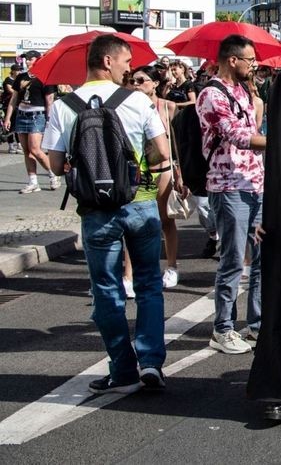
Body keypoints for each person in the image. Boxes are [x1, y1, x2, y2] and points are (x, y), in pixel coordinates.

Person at [44, 34, 171, 394]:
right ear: (107, 61)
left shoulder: (64, 106)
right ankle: (151, 362)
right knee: (148, 283)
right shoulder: (137, 101)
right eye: (126, 61)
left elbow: (54, 165)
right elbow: (162, 153)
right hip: (139, 203)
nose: (131, 68)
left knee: (106, 290)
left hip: (95, 211)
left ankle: (122, 367)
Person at [198, 35, 268, 355]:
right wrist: (277, 140)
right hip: (228, 187)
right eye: (250, 60)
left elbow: (252, 129)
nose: (254, 65)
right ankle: (223, 328)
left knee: (263, 257)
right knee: (233, 260)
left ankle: (256, 324)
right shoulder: (212, 94)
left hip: (255, 184)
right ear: (232, 60)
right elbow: (237, 136)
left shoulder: (243, 91)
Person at [126, 66, 184, 290]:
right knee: (134, 224)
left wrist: (180, 174)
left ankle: (171, 266)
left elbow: (175, 143)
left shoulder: (167, 106)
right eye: (133, 80)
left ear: (155, 83)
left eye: (141, 80)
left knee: (165, 219)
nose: (136, 84)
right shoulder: (129, 108)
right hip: (140, 170)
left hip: (164, 170)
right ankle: (129, 276)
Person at [4, 63, 60, 193]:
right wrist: (8, 117)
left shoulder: (46, 78)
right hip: (22, 115)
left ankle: (53, 173)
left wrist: (49, 120)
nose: (28, 61)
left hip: (37, 115)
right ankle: (33, 181)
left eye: (31, 58)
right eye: (27, 59)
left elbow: (49, 101)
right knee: (27, 151)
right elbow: (14, 98)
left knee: (35, 149)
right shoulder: (21, 77)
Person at [1, 64, 19, 153]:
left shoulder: (18, 80)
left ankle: (19, 145)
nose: (19, 72)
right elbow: (11, 91)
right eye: (17, 70)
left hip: (17, 105)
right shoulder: (8, 80)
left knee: (17, 125)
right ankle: (11, 145)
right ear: (12, 71)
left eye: (20, 70)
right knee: (10, 125)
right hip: (8, 105)